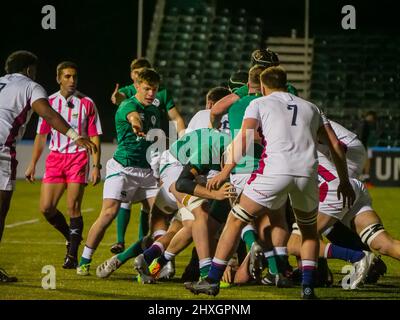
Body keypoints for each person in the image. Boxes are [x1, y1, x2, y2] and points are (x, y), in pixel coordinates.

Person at [187, 66, 355, 299]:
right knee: (307, 233)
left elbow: (244, 138)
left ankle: (212, 280)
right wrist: (344, 181)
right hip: (306, 175)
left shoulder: (259, 103)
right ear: (286, 84)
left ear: (263, 86)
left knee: (236, 219)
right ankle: (307, 289)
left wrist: (225, 172)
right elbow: (337, 146)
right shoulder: (312, 107)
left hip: (274, 172)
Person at [0, 50, 96, 282]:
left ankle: (72, 247)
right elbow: (49, 115)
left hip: (73, 161)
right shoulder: (32, 87)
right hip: (2, 152)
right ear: (29, 70)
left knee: (72, 206)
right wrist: (75, 135)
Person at [76, 68, 162, 276]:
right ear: (137, 87)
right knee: (109, 212)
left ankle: (148, 265)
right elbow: (134, 118)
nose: (151, 93)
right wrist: (136, 125)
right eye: (147, 89)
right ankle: (84, 261)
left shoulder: (155, 110)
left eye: (155, 90)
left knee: (162, 221)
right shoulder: (128, 105)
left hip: (148, 173)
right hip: (123, 169)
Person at [24, 61, 102, 269]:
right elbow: (41, 136)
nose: (72, 80)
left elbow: (94, 137)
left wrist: (96, 166)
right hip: (56, 158)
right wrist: (32, 164)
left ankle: (72, 255)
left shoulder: (87, 103)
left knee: (72, 207)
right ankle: (70, 236)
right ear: (58, 78)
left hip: (78, 158)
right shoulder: (47, 103)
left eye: (74, 77)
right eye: (67, 76)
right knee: (46, 207)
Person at [109, 58, 185, 254]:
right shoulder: (129, 91)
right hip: (135, 148)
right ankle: (121, 241)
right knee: (125, 200)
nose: (139, 76)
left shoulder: (161, 93)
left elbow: (175, 117)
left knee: (153, 206)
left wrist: (183, 137)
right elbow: (122, 102)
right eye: (136, 73)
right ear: (133, 77)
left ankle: (146, 243)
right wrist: (118, 100)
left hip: (156, 148)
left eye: (142, 72)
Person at [358, 111, 379, 183]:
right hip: (362, 145)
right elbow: (361, 136)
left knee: (366, 160)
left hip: (364, 145)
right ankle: (364, 176)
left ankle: (365, 176)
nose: (373, 120)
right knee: (365, 160)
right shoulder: (364, 123)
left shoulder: (365, 123)